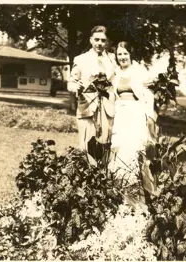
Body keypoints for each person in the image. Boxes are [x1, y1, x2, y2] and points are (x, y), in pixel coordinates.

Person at [109, 41, 157, 183]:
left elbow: (148, 95)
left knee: (134, 144)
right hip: (120, 113)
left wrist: (149, 116)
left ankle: (135, 180)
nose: (122, 57)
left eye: (125, 53)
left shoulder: (139, 71)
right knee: (119, 144)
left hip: (135, 111)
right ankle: (120, 179)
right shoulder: (115, 73)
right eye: (119, 54)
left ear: (130, 54)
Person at [68, 25, 117, 151]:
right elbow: (71, 83)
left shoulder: (113, 59)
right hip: (87, 108)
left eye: (103, 40)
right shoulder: (81, 59)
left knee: (106, 146)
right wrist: (76, 87)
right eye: (97, 40)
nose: (99, 43)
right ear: (91, 40)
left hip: (108, 109)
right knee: (86, 147)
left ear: (107, 42)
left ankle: (103, 170)